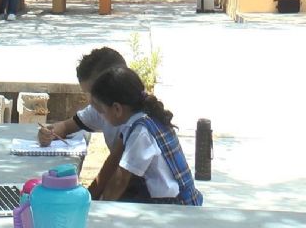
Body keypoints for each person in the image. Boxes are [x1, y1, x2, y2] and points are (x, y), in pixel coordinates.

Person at [90, 67, 203, 206]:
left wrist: (100, 209)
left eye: (101, 111)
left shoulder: (141, 131)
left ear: (117, 109)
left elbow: (120, 180)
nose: (102, 117)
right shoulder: (145, 118)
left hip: (176, 207)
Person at [36, 47, 127, 199]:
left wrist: (88, 203)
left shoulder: (135, 125)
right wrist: (49, 133)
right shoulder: (102, 108)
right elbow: (66, 126)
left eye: (93, 93)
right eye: (87, 94)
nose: (90, 101)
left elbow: (114, 177)